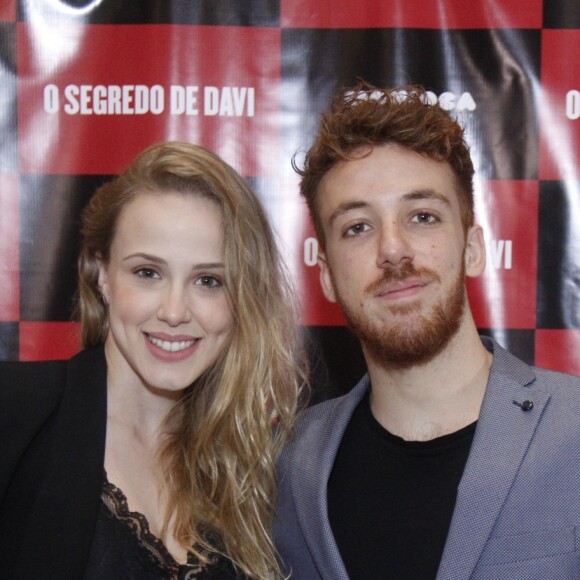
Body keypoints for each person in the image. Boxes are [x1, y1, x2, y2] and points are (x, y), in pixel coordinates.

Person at [273, 82, 580, 579]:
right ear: (326, 275)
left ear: (473, 247)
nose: (393, 250)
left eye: (422, 216)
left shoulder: (574, 431)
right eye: (357, 226)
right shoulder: (288, 465)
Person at [0, 141, 306, 579]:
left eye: (208, 280)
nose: (175, 311)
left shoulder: (255, 468)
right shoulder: (15, 412)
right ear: (101, 274)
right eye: (148, 272)